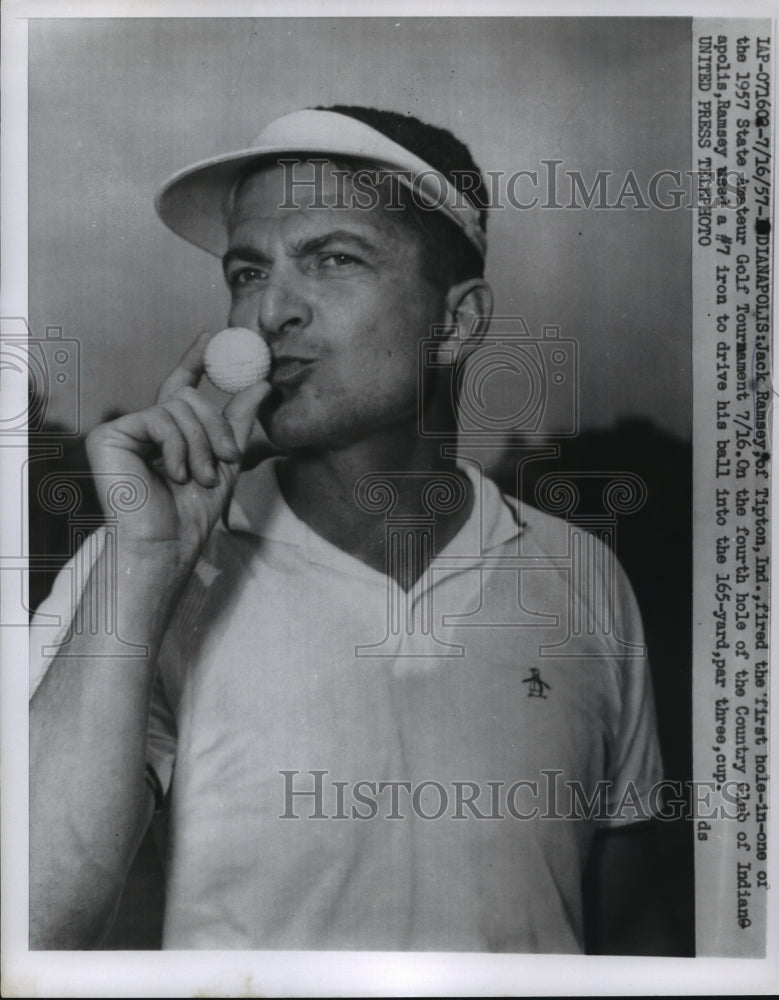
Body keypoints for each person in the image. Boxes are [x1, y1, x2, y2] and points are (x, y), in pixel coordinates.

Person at [29, 106, 665, 953]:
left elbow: (633, 938)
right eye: (248, 272)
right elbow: (30, 921)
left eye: (333, 258)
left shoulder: (581, 572)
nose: (270, 312)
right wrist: (146, 565)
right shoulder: (138, 564)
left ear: (460, 320)